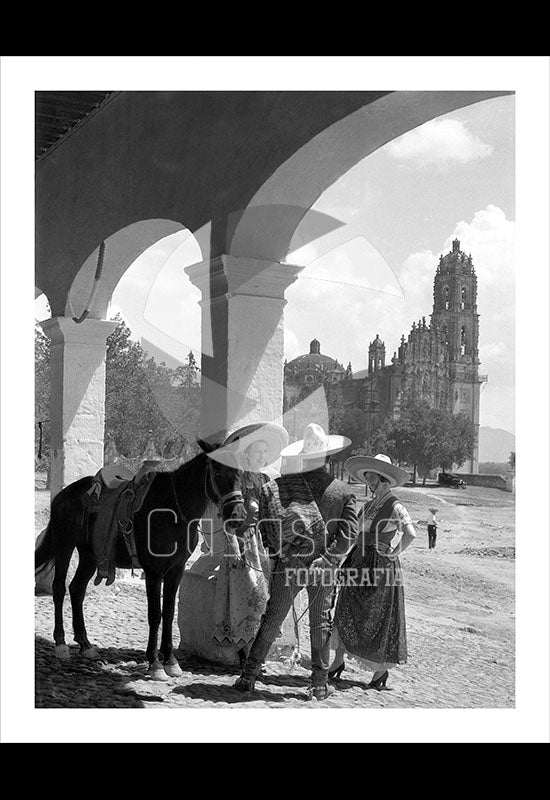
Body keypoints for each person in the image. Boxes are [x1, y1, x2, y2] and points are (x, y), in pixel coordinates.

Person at [234, 422, 358, 701]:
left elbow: (269, 526)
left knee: (272, 617)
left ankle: (249, 676)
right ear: (328, 457)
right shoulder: (343, 492)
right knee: (320, 624)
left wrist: (281, 552)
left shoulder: (282, 487)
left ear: (303, 456)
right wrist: (327, 560)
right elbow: (348, 535)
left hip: (291, 564)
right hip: (323, 570)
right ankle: (319, 684)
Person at [329, 454, 416, 691]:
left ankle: (380, 670)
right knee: (347, 607)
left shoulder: (395, 505)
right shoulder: (368, 506)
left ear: (383, 478)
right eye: (367, 477)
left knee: (378, 615)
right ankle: (338, 661)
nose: (369, 482)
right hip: (359, 560)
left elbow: (410, 533)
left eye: (372, 478)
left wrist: (393, 552)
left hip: (380, 567)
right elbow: (355, 532)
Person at [211, 422, 289, 664]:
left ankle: (257, 649)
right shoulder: (237, 479)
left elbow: (273, 513)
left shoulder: (266, 479)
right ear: (247, 454)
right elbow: (226, 514)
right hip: (242, 544)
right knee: (242, 598)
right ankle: (243, 649)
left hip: (263, 545)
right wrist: (232, 542)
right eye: (258, 451)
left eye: (265, 452)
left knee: (264, 598)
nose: (262, 456)